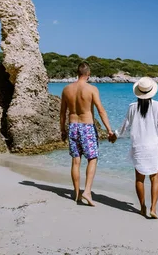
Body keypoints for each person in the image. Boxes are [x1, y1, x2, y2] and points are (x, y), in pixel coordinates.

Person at [60, 62, 115, 206]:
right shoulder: (91, 89)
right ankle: (88, 191)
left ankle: (77, 194)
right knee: (92, 158)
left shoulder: (66, 89)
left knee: (76, 161)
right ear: (88, 74)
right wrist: (109, 129)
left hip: (72, 126)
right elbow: (101, 110)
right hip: (87, 127)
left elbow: (62, 113)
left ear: (77, 73)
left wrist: (62, 130)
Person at [116, 77, 158, 219]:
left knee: (139, 179)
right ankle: (153, 208)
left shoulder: (132, 107)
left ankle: (142, 207)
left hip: (138, 146)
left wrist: (115, 135)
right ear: (152, 91)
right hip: (153, 147)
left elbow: (125, 125)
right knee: (155, 178)